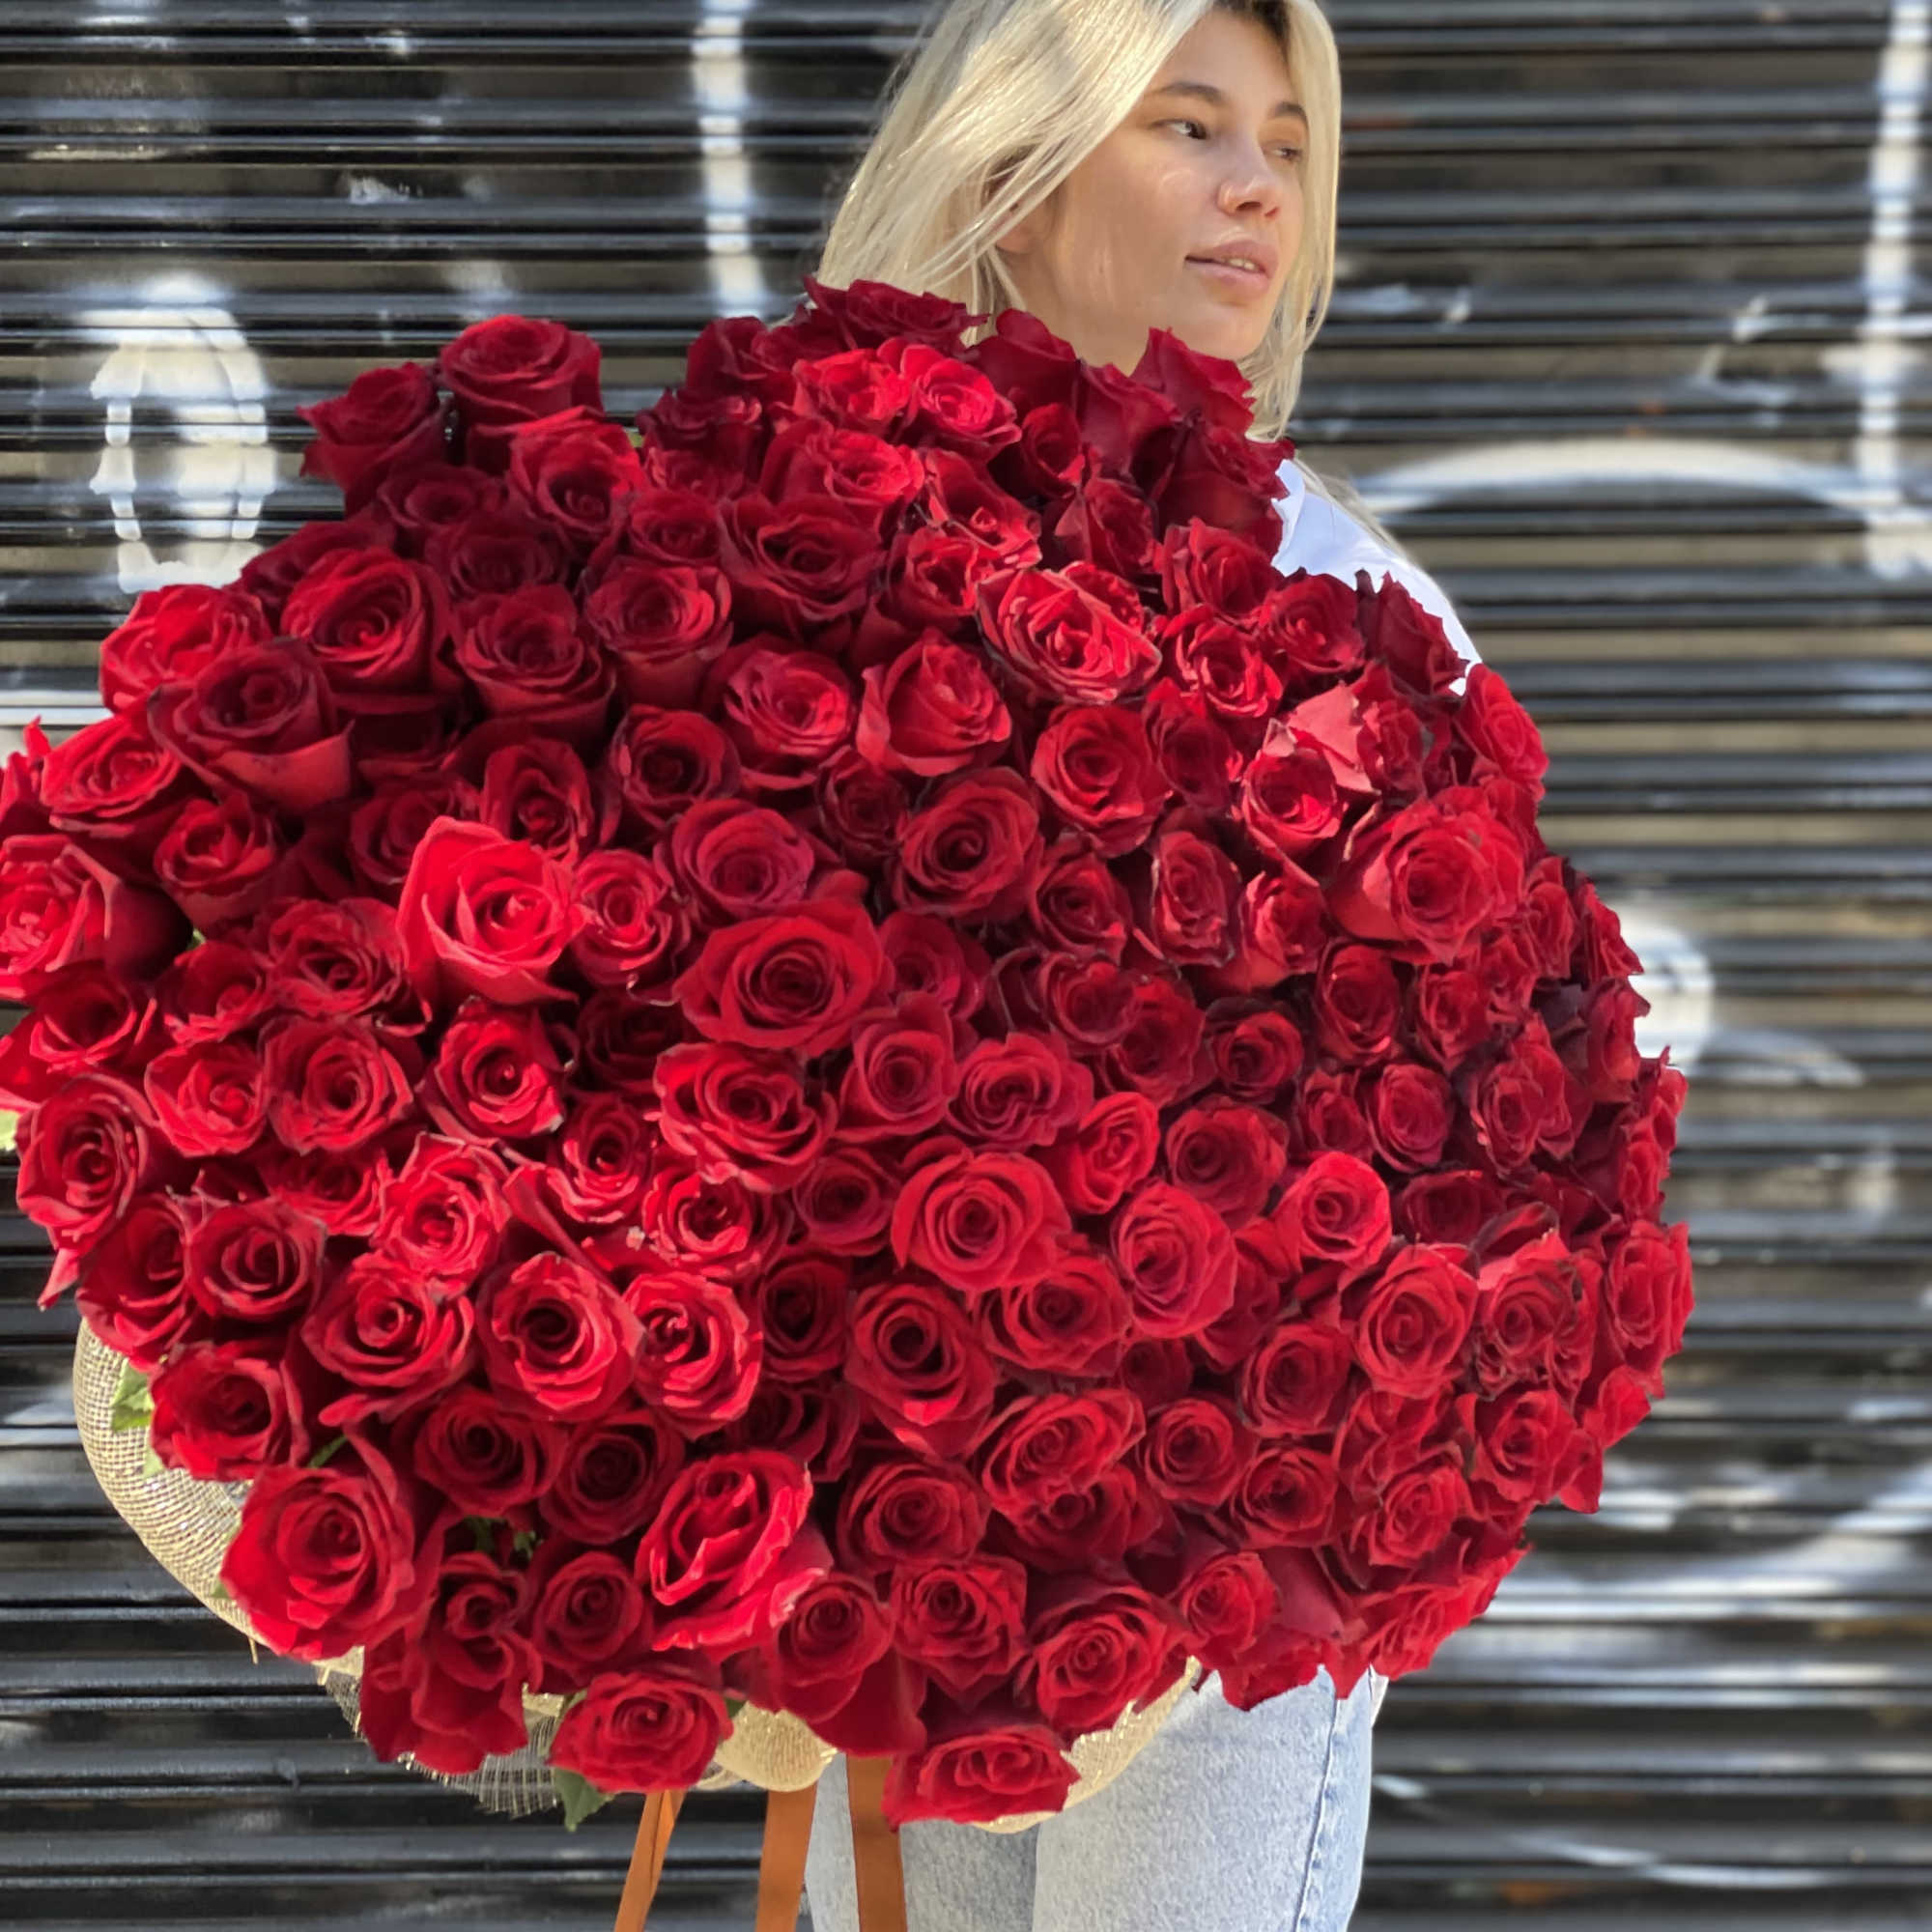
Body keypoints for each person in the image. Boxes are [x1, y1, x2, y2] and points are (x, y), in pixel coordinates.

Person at [800, 3, 1481, 1926]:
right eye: (1184, 124)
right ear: (1012, 177)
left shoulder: (1352, 594)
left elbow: (1518, 1088)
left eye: (1281, 138)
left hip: (1228, 1540)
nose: (1256, 182)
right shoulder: (822, 548)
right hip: (905, 1507)